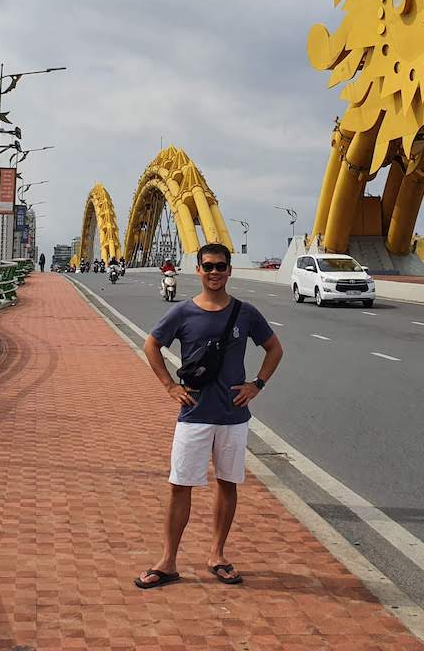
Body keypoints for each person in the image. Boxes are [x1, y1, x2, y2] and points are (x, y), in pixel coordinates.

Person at [135, 242, 283, 589]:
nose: (214, 272)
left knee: (227, 484)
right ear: (198, 270)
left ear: (229, 271)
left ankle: (217, 554)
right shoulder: (184, 313)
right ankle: (168, 561)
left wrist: (257, 384)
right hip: (195, 414)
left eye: (220, 266)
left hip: (233, 416)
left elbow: (274, 348)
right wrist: (169, 386)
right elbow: (151, 345)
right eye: (208, 266)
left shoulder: (246, 313)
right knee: (179, 486)